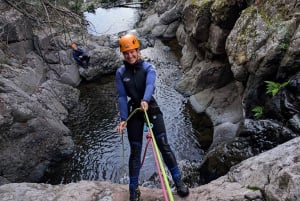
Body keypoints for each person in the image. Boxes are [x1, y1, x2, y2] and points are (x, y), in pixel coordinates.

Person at [115, 34, 189, 201]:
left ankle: (178, 182)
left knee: (163, 145)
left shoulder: (149, 68)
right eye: (126, 53)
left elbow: (150, 84)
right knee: (135, 151)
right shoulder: (121, 73)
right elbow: (121, 97)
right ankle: (133, 189)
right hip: (135, 111)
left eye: (132, 52)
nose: (130, 56)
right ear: (122, 54)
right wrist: (123, 119)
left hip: (151, 109)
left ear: (137, 50)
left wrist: (146, 100)